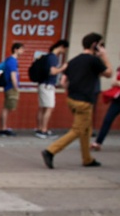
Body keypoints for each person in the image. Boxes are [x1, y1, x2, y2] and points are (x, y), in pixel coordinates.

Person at [42, 32, 112, 169]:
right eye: (101, 45)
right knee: (78, 130)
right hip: (84, 101)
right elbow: (109, 73)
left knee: (86, 129)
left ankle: (87, 159)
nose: (102, 48)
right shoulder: (93, 60)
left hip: (72, 99)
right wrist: (105, 56)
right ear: (94, 45)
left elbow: (63, 81)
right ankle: (50, 151)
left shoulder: (73, 60)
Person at [34, 39, 69, 138]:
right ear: (62, 47)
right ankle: (43, 130)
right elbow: (53, 72)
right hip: (48, 85)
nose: (64, 51)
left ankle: (39, 128)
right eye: (65, 49)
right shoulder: (53, 58)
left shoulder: (48, 56)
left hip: (43, 84)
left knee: (42, 108)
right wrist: (63, 68)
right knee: (49, 108)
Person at [92, 59, 120, 151]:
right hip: (117, 99)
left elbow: (117, 82)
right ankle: (98, 142)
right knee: (107, 119)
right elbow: (113, 82)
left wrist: (118, 83)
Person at [0, 42, 24, 136]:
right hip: (11, 87)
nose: (23, 51)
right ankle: (3, 128)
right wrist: (16, 87)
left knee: (8, 107)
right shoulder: (12, 60)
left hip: (9, 86)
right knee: (7, 107)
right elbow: (13, 75)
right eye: (21, 49)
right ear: (15, 49)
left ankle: (3, 127)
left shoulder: (10, 60)